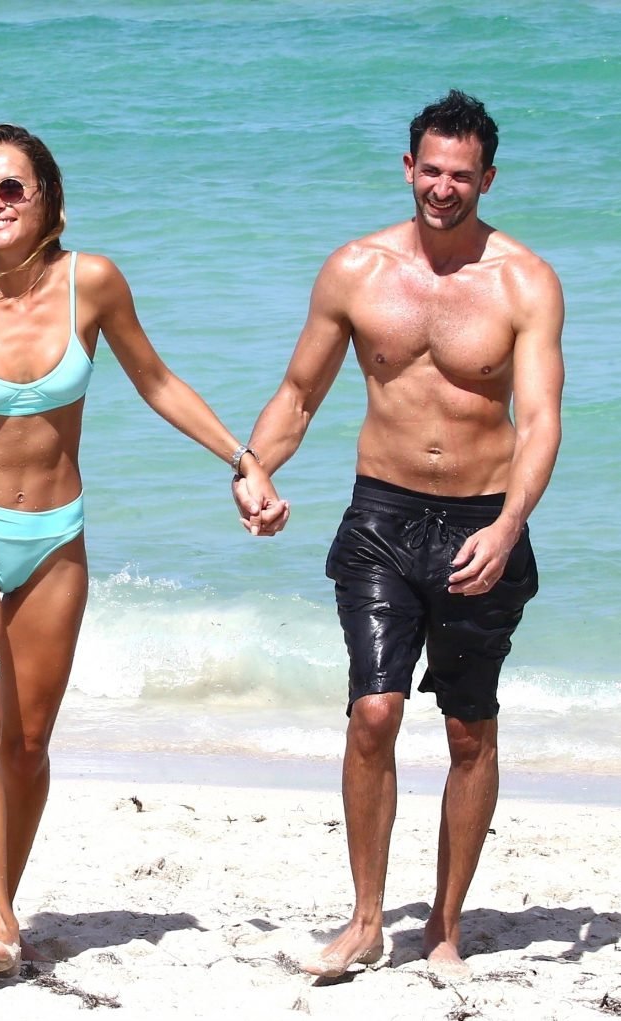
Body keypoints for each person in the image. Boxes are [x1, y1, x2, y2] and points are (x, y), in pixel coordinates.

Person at [0, 123, 284, 979]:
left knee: (27, 744)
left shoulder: (92, 283)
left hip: (55, 540)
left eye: (11, 187)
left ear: (46, 195)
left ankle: (1, 904)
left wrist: (243, 460)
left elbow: (156, 380)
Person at [234, 90, 564, 978]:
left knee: (468, 729)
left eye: (462, 175)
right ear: (409, 167)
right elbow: (299, 393)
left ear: (487, 179)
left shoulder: (524, 282)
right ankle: (365, 918)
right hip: (381, 514)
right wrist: (254, 468)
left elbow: (539, 420)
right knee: (374, 710)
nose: (443, 189)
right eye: (431, 170)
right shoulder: (356, 269)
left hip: (480, 523)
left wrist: (510, 524)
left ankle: (444, 925)